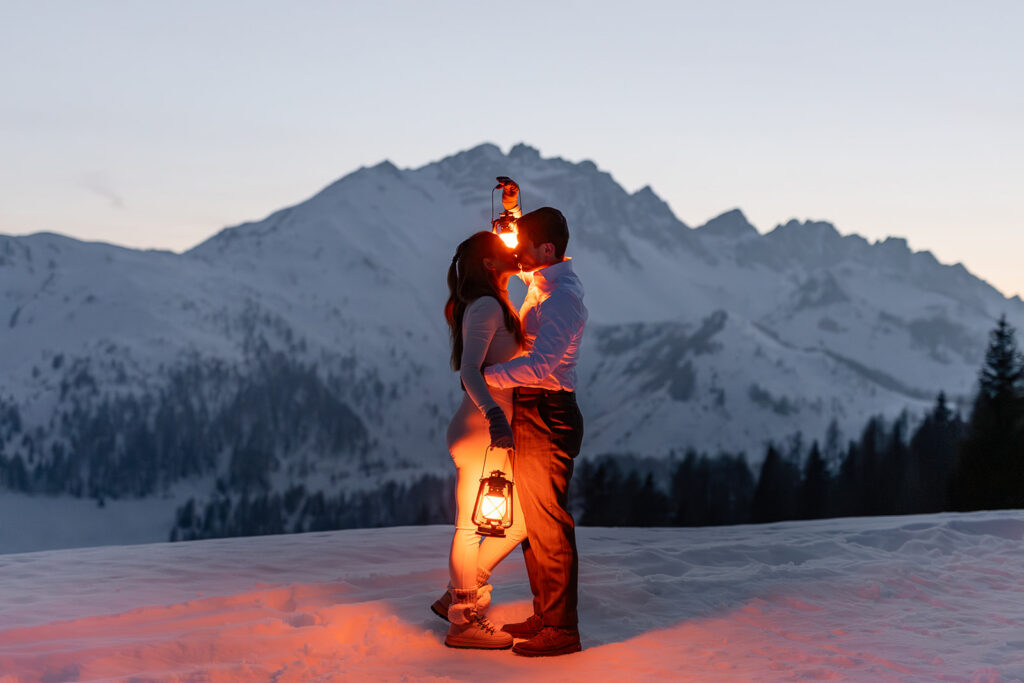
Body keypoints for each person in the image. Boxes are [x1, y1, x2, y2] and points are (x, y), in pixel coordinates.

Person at [483, 201, 588, 657]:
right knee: (534, 521)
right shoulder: (544, 280)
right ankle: (547, 614)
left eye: (525, 247)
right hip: (534, 409)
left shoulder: (561, 298)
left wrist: (485, 377)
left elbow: (543, 363)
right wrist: (514, 212)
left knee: (549, 523)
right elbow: (524, 251)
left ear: (547, 248)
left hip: (548, 410)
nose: (517, 255)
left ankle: (563, 630)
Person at [436, 230, 529, 650]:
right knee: (472, 528)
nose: (512, 251)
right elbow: (469, 371)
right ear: (490, 265)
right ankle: (463, 621)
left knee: (518, 522)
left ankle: (461, 592)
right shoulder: (488, 306)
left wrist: (510, 213)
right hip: (482, 430)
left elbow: (511, 249)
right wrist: (494, 416)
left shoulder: (493, 301)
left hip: (486, 429)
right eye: (502, 252)